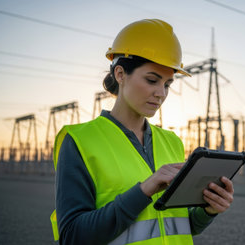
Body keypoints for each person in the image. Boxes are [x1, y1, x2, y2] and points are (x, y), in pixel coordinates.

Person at [50, 19, 235, 244]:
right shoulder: (79, 141)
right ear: (120, 74)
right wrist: (144, 191)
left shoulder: (172, 142)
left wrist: (208, 210)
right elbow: (72, 236)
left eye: (167, 84)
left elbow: (178, 225)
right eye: (151, 80)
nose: (161, 93)